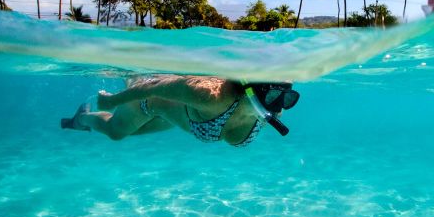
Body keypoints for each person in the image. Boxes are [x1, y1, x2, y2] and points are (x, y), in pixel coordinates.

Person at [61, 75, 300, 147]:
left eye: (288, 98)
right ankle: (80, 118)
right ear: (251, 90)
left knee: (132, 131)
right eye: (271, 96)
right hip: (150, 100)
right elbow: (154, 87)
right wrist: (112, 102)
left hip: (176, 115)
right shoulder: (211, 95)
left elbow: (277, 98)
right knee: (116, 132)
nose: (278, 106)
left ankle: (131, 83)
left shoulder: (274, 108)